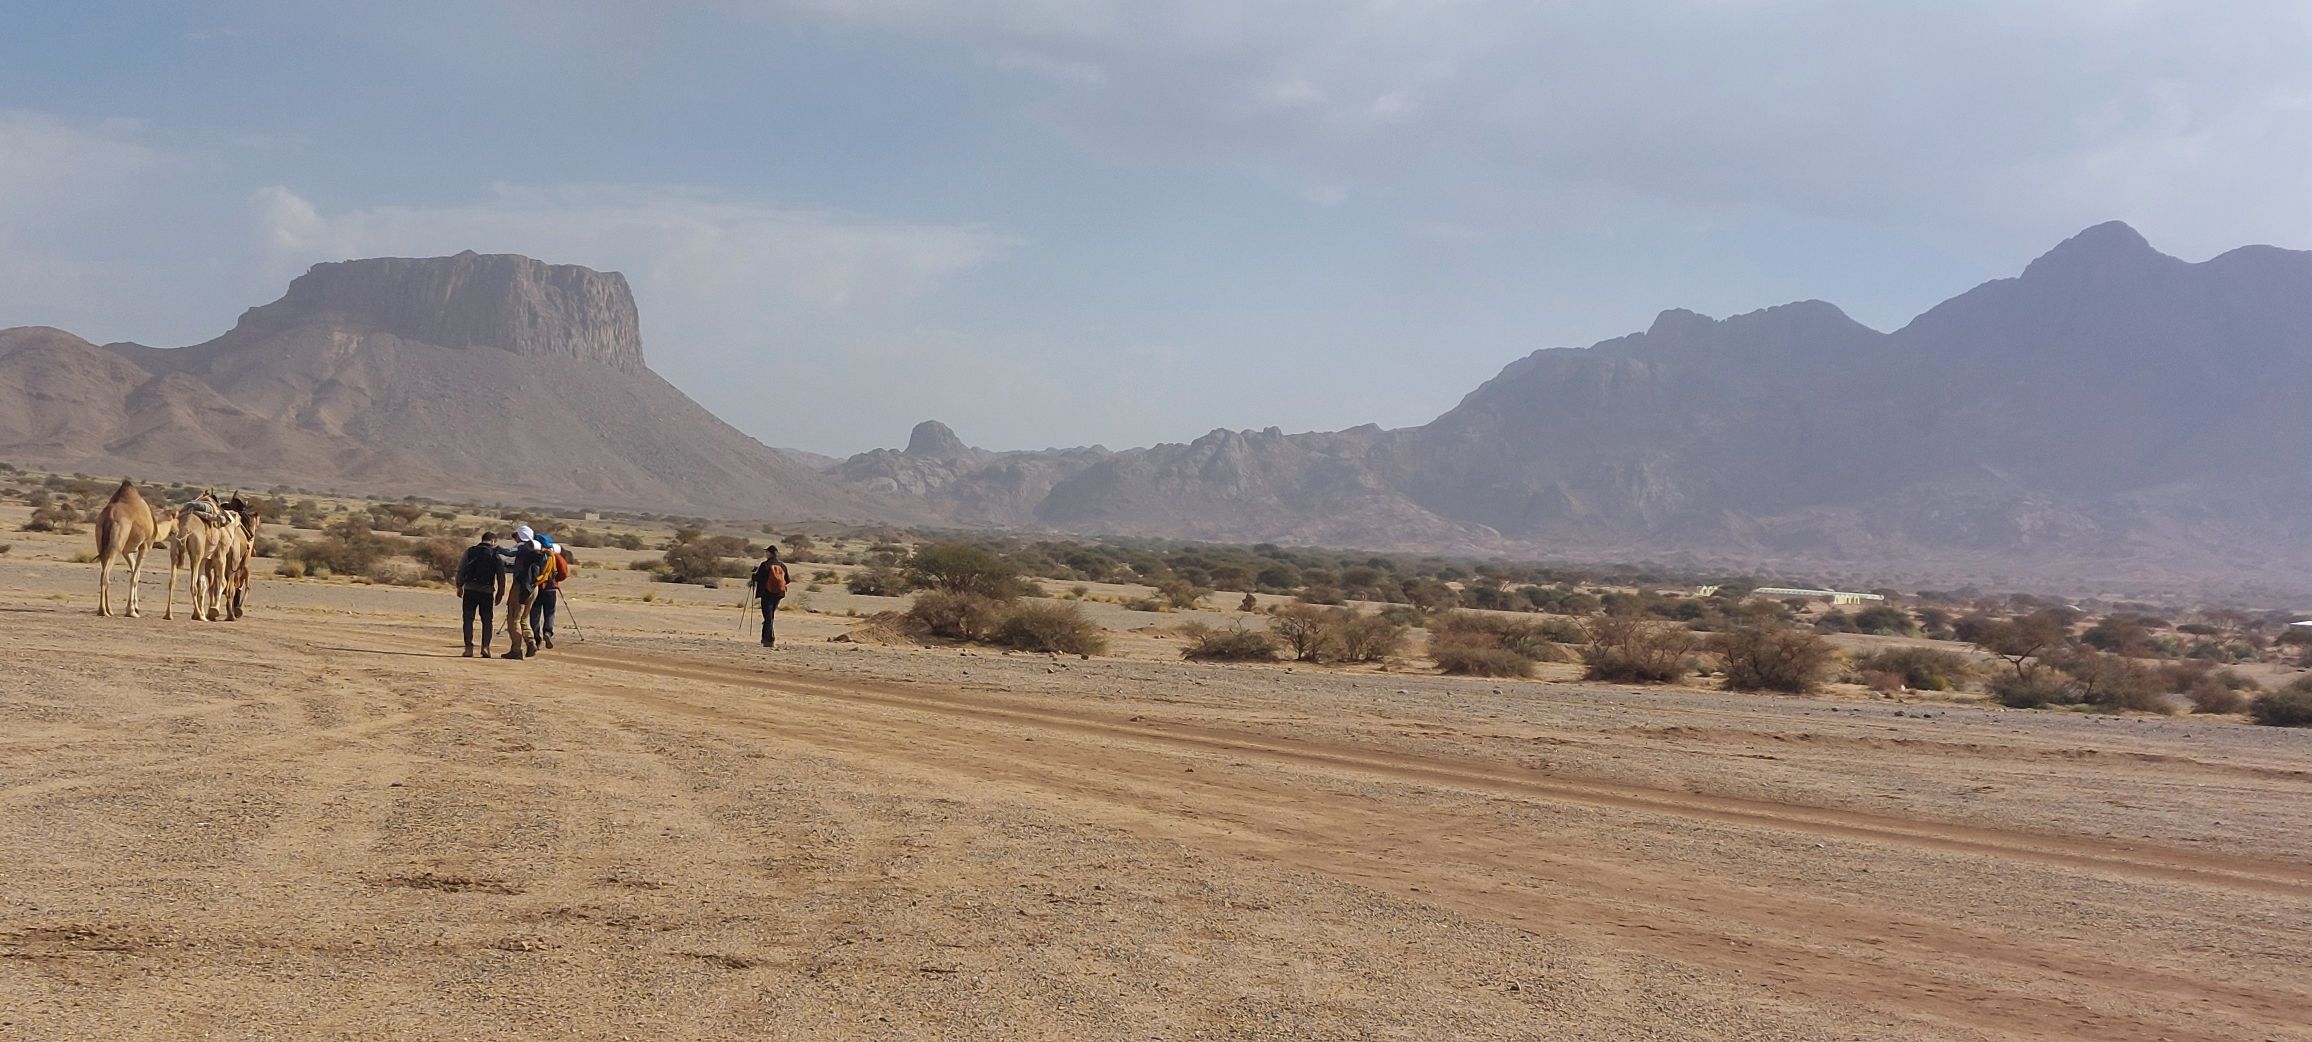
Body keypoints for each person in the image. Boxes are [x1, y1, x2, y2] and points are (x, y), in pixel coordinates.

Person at [453, 530, 506, 658]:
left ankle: (468, 648)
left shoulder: (470, 552)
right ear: (493, 541)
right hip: (487, 591)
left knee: (468, 619)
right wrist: (500, 593)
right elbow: (501, 576)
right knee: (487, 620)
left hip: (470, 589)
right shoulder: (495, 554)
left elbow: (461, 569)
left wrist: (459, 586)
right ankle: (485, 647)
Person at [498, 525, 547, 661]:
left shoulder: (523, 548)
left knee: (513, 618)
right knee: (524, 618)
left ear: (521, 536)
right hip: (534, 587)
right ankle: (530, 642)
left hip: (520, 587)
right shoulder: (535, 550)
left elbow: (508, 552)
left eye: (516, 536)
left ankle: (516, 650)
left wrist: (496, 549)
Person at [529, 533, 568, 649]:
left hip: (536, 588)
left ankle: (536, 638)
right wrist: (556, 580)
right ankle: (547, 632)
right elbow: (564, 572)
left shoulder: (534, 555)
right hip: (551, 588)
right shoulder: (555, 556)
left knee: (534, 613)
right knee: (550, 612)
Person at [749, 545, 790, 648]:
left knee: (768, 617)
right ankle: (765, 639)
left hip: (767, 594)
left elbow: (758, 578)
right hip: (778, 594)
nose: (766, 554)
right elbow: (788, 580)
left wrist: (754, 575)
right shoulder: (782, 565)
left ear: (770, 553)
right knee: (770, 616)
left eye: (767, 552)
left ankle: (770, 640)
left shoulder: (765, 565)